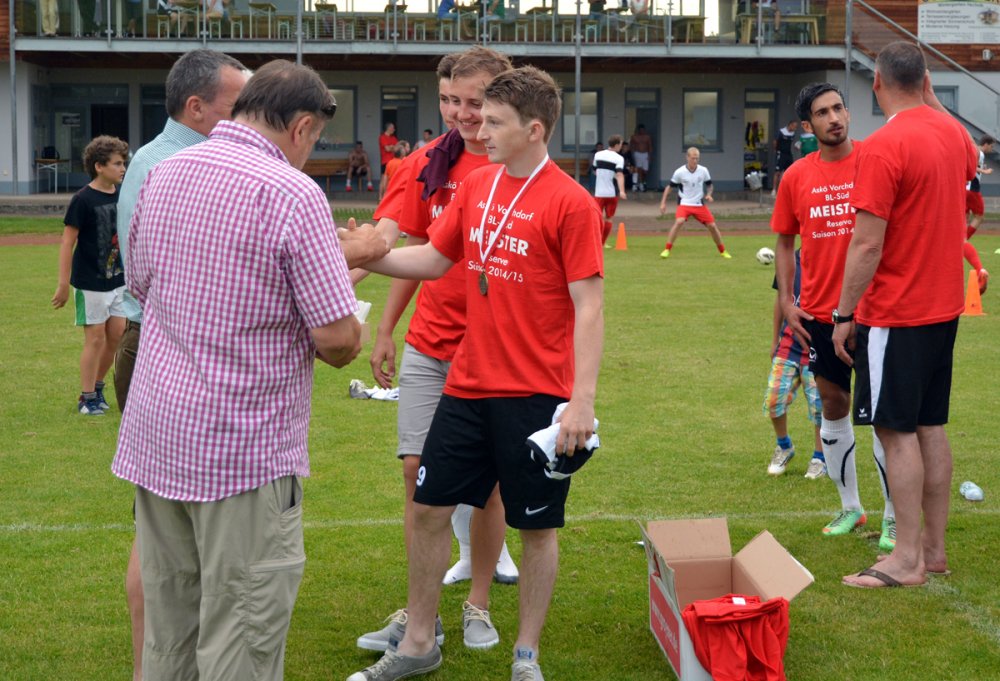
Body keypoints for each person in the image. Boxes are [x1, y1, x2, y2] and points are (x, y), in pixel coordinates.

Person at [111, 60, 367, 680]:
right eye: (313, 140)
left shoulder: (165, 171)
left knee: (169, 633)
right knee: (242, 639)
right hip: (242, 450)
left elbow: (144, 285)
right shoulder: (293, 192)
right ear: (301, 128)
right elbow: (336, 341)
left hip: (160, 434)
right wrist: (354, 278)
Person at [350, 65, 604, 681]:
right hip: (466, 385)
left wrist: (581, 400)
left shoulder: (571, 202)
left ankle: (525, 656)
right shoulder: (477, 185)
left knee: (536, 527)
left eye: (493, 122)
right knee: (428, 508)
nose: (478, 131)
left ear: (534, 129)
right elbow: (434, 259)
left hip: (536, 393)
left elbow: (590, 305)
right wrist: (363, 256)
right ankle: (418, 642)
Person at [358, 46, 519, 659]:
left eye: (474, 102)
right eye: (450, 100)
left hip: (494, 351)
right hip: (431, 343)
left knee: (489, 487)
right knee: (415, 472)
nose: (460, 114)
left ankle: (478, 601)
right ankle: (419, 610)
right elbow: (404, 248)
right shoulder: (426, 162)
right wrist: (384, 327)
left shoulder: (519, 165)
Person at [112, 48, 250, 681]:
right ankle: (155, 665)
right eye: (237, 107)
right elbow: (150, 279)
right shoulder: (167, 164)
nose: (248, 120)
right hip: (164, 346)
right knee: (162, 529)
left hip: (170, 345)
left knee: (184, 524)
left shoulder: (174, 160)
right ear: (196, 107)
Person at [832, 42, 977, 588]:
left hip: (897, 312)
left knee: (896, 432)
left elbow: (867, 244)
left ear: (876, 82)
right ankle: (932, 551)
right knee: (929, 426)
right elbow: (968, 152)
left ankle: (907, 559)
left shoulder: (883, 145)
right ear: (926, 81)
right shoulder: (953, 135)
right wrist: (930, 98)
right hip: (943, 308)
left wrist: (843, 313)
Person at [772, 82, 895, 547]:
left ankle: (893, 516)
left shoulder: (873, 161)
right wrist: (788, 302)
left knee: (884, 416)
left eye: (839, 108)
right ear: (808, 125)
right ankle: (851, 509)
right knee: (833, 405)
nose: (835, 118)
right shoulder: (796, 177)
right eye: (823, 113)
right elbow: (785, 241)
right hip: (820, 316)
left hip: (875, 311)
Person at [51, 135, 129, 417]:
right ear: (99, 166)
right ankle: (87, 398)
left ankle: (96, 386)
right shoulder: (82, 199)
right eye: (117, 163)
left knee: (117, 335)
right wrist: (63, 284)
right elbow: (66, 242)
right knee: (95, 338)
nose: (123, 168)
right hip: (90, 283)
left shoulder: (123, 194)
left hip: (118, 280)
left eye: (124, 163)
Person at [763, 249, 825, 480]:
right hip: (789, 344)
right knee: (774, 399)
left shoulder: (829, 258)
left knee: (819, 407)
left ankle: (820, 457)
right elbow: (781, 300)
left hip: (819, 345)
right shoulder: (789, 259)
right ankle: (784, 446)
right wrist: (774, 340)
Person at [658, 147, 731, 259]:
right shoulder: (679, 172)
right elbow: (669, 187)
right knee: (679, 221)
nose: (695, 161)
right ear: (687, 157)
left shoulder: (703, 170)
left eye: (697, 158)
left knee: (712, 226)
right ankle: (667, 249)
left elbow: (710, 185)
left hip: (698, 204)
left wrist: (709, 194)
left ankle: (723, 251)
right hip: (684, 203)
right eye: (693, 158)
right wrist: (663, 203)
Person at [592, 134, 626, 244]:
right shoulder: (619, 158)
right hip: (611, 193)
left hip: (599, 193)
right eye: (620, 144)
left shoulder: (598, 155)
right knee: (609, 218)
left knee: (597, 218)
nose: (621, 146)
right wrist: (622, 191)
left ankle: (595, 241)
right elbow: (619, 174)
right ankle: (602, 242)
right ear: (616, 145)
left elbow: (595, 170)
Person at [965, 134, 995, 239]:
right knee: (979, 216)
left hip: (964, 189)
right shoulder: (980, 153)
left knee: (965, 217)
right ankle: (963, 240)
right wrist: (984, 171)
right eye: (991, 146)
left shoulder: (973, 150)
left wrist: (981, 168)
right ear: (986, 144)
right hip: (972, 189)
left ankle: (958, 240)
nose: (992, 149)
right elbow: (971, 166)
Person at [771, 119, 798, 195]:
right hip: (781, 153)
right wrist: (776, 150)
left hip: (788, 154)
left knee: (789, 172)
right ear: (790, 125)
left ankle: (785, 190)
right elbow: (775, 142)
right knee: (778, 172)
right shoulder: (781, 132)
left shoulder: (793, 134)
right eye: (794, 126)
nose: (795, 128)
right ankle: (774, 189)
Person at [628, 123, 652, 191]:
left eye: (643, 130)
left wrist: (649, 155)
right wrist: (632, 155)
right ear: (638, 130)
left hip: (645, 154)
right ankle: (640, 184)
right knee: (638, 169)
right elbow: (631, 146)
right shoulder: (634, 137)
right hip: (637, 153)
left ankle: (642, 182)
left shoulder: (647, 137)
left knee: (645, 171)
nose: (642, 131)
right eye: (640, 130)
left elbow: (650, 146)